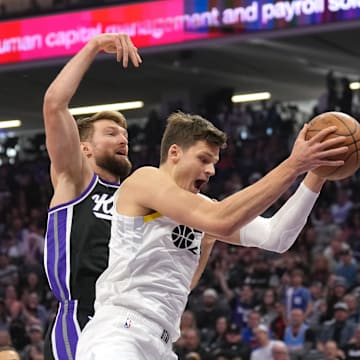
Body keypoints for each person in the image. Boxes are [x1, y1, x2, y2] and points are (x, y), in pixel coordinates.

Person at [76, 54, 348, 360]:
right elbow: (220, 220)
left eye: (214, 163)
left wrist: (316, 173)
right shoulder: (145, 180)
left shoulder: (201, 208)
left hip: (161, 343)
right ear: (175, 153)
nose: (211, 170)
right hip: (118, 333)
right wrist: (293, 165)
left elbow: (277, 237)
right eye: (204, 159)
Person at [42, 33, 141, 360]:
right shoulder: (76, 177)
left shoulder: (136, 196)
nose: (123, 139)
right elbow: (54, 104)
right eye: (111, 133)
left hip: (126, 320)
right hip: (81, 316)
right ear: (84, 148)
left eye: (125, 134)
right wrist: (94, 46)